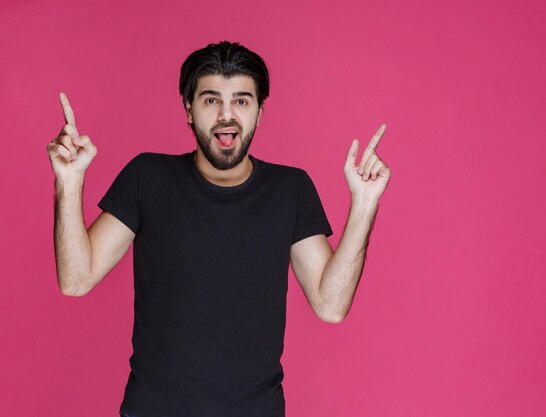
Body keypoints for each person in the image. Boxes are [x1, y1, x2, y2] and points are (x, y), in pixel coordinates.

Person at [47, 41, 391, 417]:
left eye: (242, 101)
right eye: (211, 100)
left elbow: (331, 305)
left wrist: (364, 205)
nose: (227, 115)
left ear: (260, 112)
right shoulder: (148, 177)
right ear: (189, 110)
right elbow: (76, 280)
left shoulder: (291, 189)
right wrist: (69, 181)